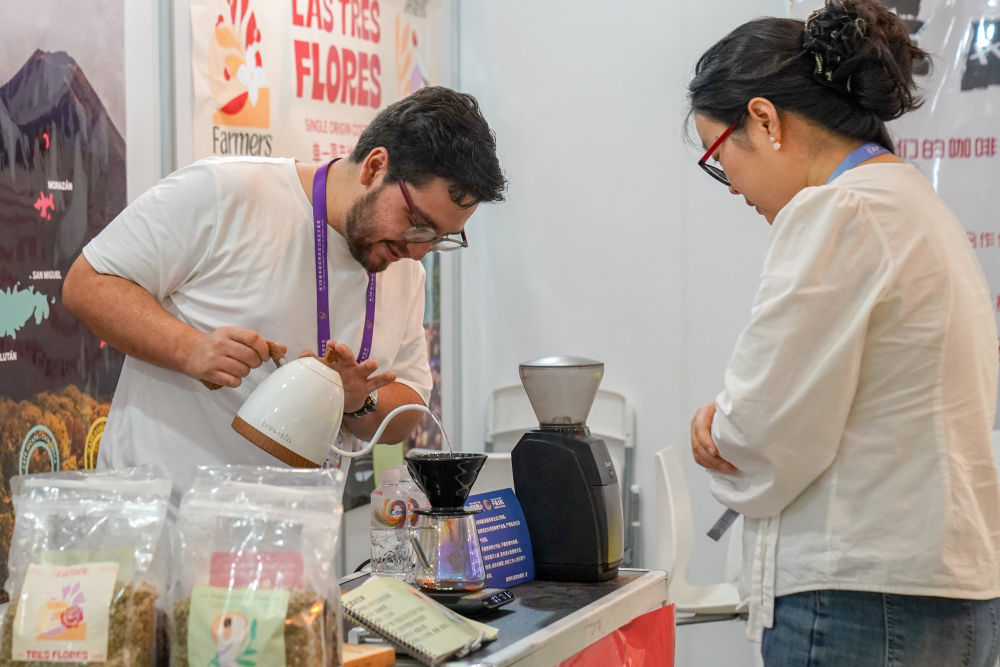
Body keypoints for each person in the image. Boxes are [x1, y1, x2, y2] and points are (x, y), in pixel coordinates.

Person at [686, 1, 1000, 664]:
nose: (731, 186)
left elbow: (765, 431)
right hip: (944, 591)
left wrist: (719, 431)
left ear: (764, 120)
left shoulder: (839, 210)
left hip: (860, 597)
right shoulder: (913, 202)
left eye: (718, 156)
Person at [62, 86, 506, 495]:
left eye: (439, 238)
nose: (418, 251)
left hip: (296, 532)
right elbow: (87, 283)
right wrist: (189, 349)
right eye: (418, 224)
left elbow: (408, 407)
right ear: (375, 167)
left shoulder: (405, 270)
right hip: (165, 520)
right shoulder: (227, 192)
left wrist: (358, 400)